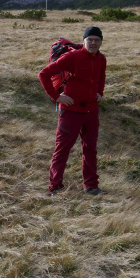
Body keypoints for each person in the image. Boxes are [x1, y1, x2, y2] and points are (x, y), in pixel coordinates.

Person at [38, 26, 107, 196]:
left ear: (101, 42)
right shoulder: (72, 57)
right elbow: (44, 74)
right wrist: (56, 97)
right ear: (83, 40)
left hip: (91, 111)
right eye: (89, 39)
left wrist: (100, 93)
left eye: (96, 40)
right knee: (62, 149)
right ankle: (55, 187)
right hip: (70, 111)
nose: (93, 42)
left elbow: (101, 77)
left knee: (90, 149)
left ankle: (91, 186)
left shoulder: (101, 59)